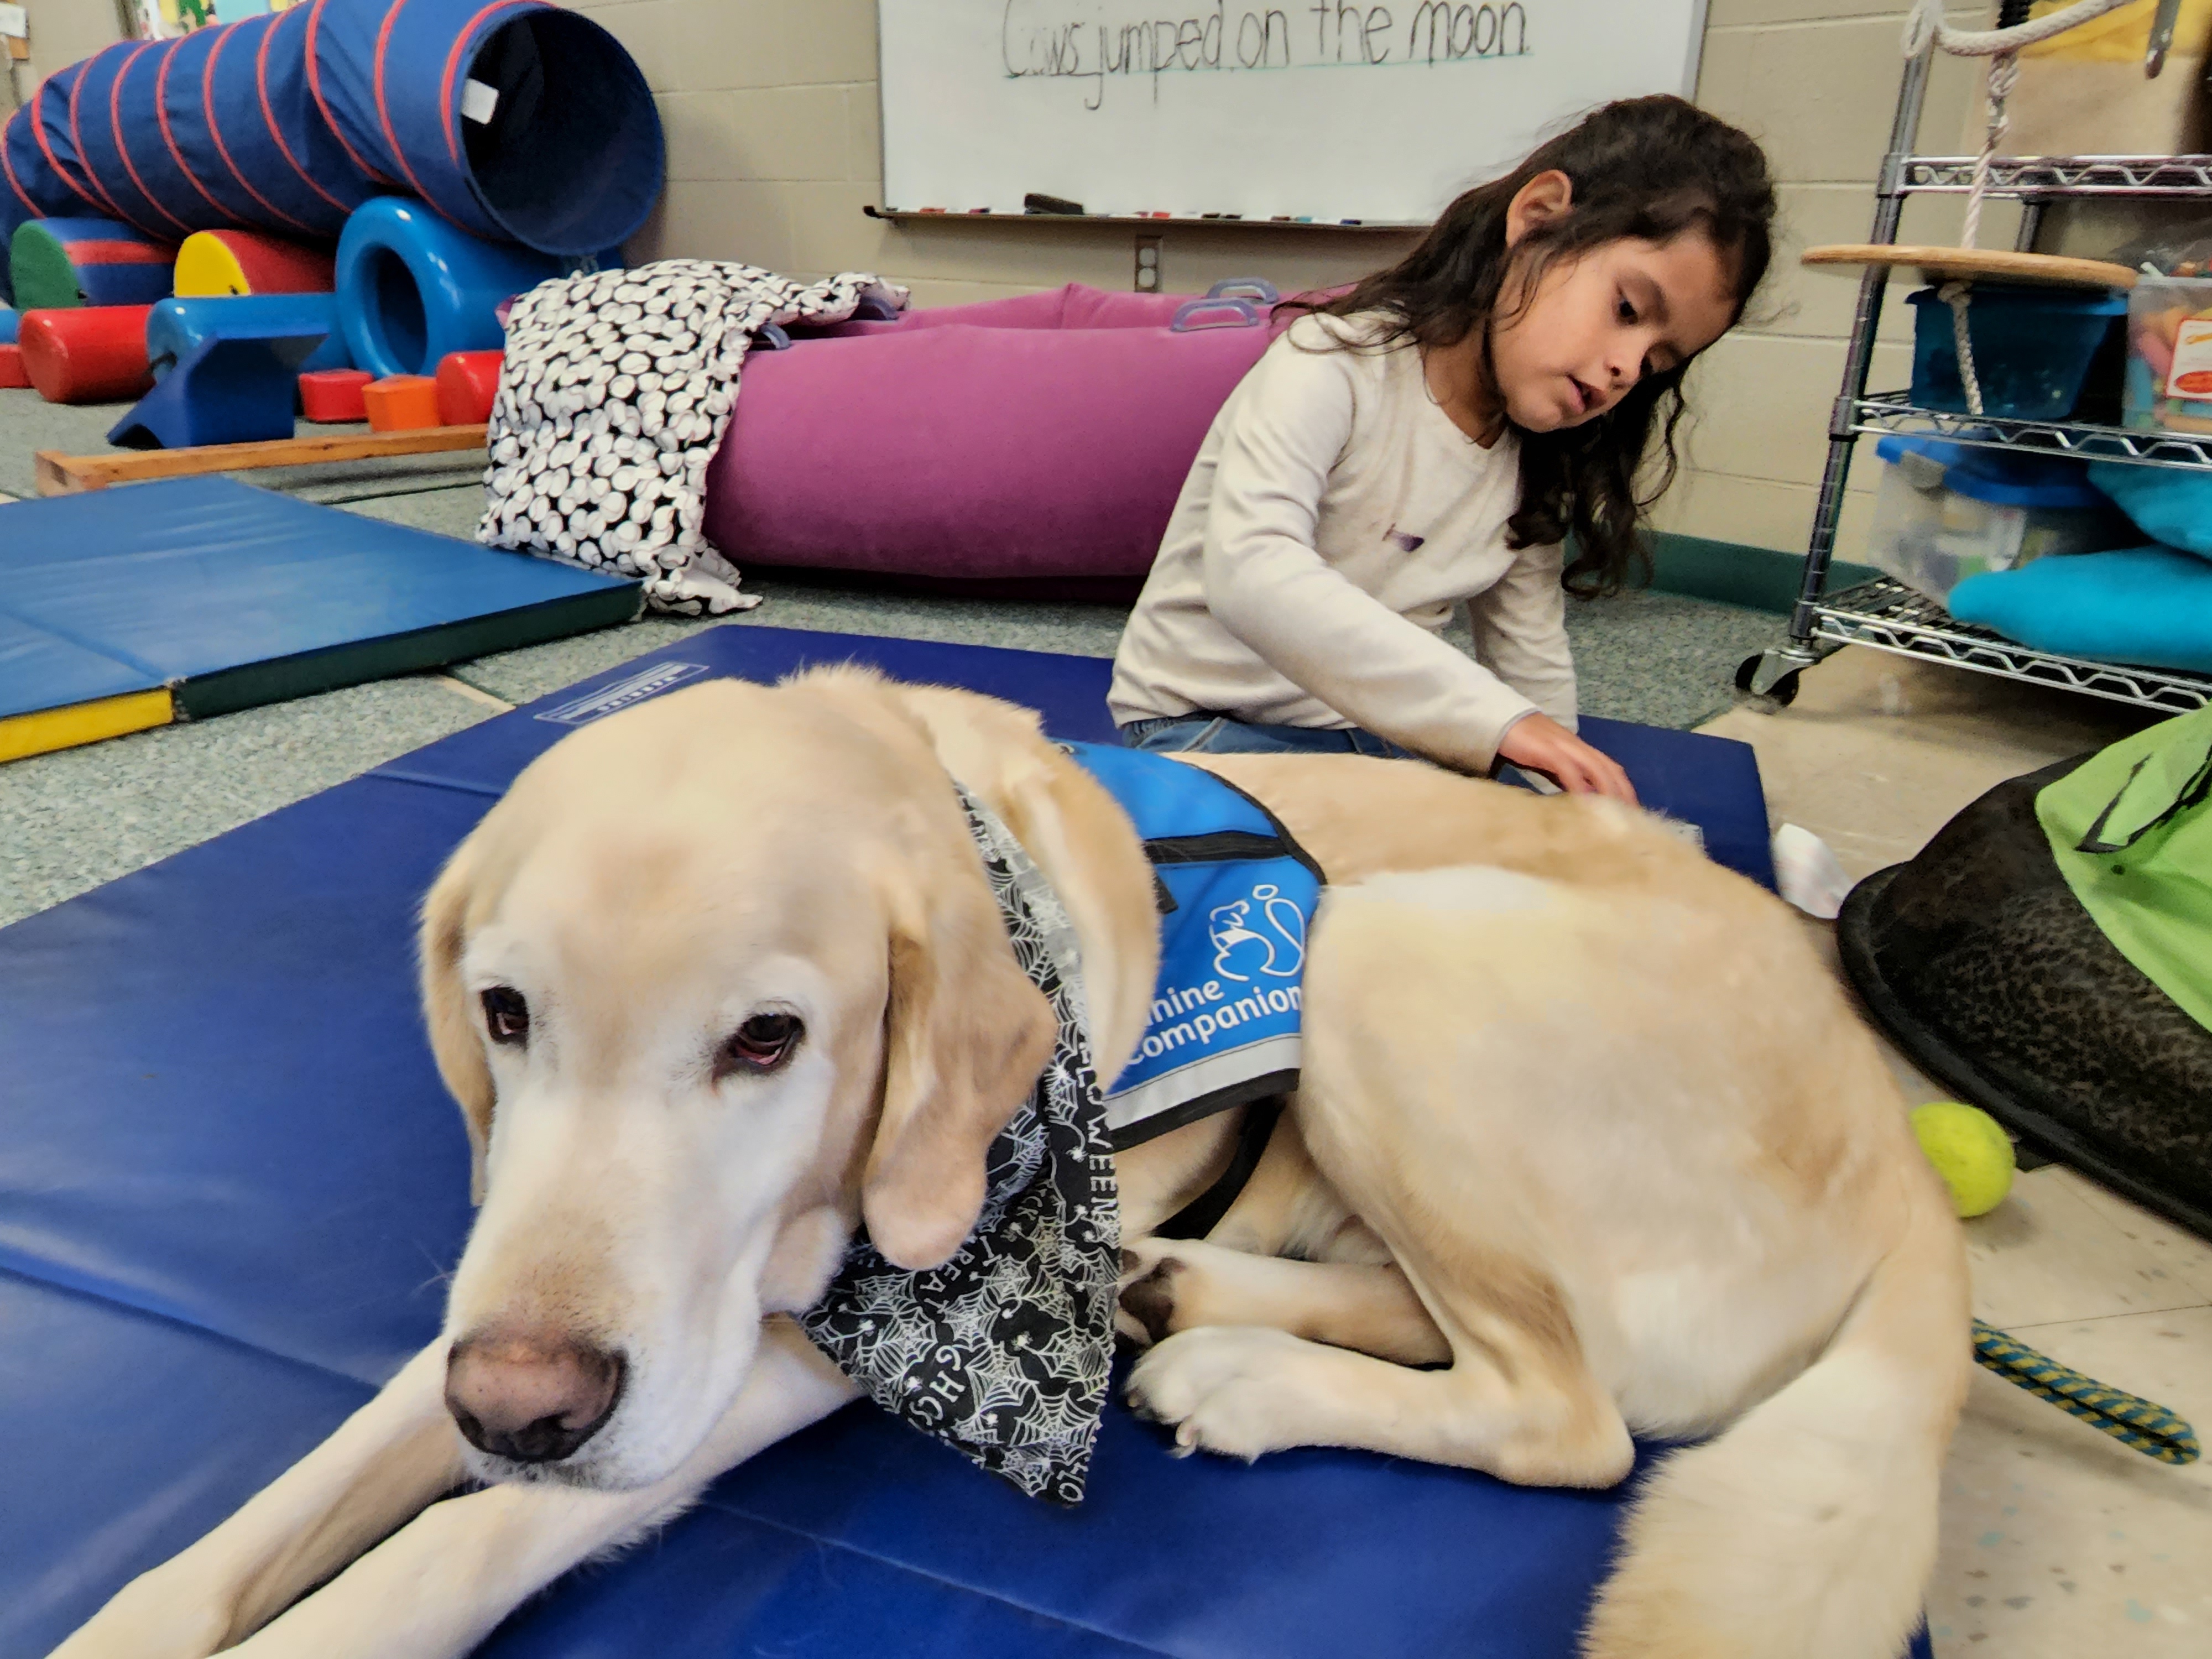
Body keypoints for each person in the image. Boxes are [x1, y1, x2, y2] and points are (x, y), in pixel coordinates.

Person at [1108, 95, 1777, 802]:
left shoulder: (1535, 459)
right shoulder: (1332, 363)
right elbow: (1252, 573)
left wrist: (1557, 785)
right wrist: (1502, 724)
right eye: (1627, 311)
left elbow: (1529, 650)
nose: (1626, 369)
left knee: (1523, 862)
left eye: (1658, 361)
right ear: (1539, 218)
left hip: (1362, 739)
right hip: (1198, 727)